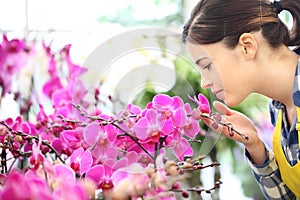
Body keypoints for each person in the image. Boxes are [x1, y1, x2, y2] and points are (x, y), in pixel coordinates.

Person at [182, 0, 300, 199]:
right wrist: (255, 147)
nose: (204, 83)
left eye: (207, 65)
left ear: (247, 46)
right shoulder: (279, 109)